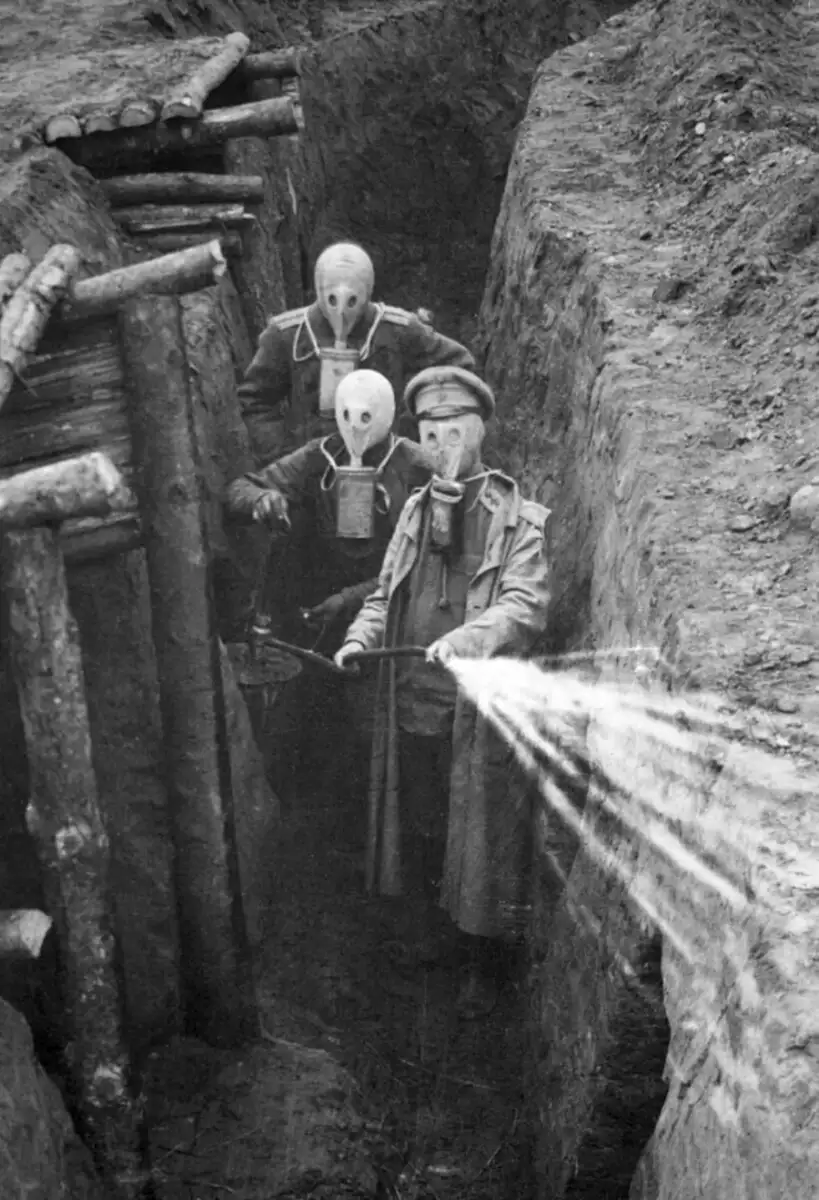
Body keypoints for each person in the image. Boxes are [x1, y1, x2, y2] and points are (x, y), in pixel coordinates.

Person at [334, 366, 551, 1019]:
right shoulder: (413, 509)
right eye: (430, 435)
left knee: (480, 837)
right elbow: (382, 595)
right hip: (411, 705)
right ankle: (425, 944)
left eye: (453, 432)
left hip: (476, 720)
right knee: (422, 825)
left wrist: (467, 640)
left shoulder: (518, 519)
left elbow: (524, 605)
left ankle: (481, 967)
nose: (442, 448)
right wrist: (357, 640)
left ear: (478, 433)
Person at [224, 368, 434, 810]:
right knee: (310, 710)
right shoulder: (319, 457)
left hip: (393, 607)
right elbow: (242, 488)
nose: (356, 429)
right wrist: (264, 501)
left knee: (368, 724)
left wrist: (350, 600)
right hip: (318, 604)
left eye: (367, 417)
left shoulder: (415, 465)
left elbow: (424, 562)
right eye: (348, 416)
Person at [237, 241, 475, 466]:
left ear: (368, 290)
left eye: (352, 299)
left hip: (387, 467)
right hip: (311, 470)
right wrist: (284, 455)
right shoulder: (288, 336)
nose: (341, 311)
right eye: (331, 297)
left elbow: (458, 366)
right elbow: (254, 401)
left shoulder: (397, 330)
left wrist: (412, 426)